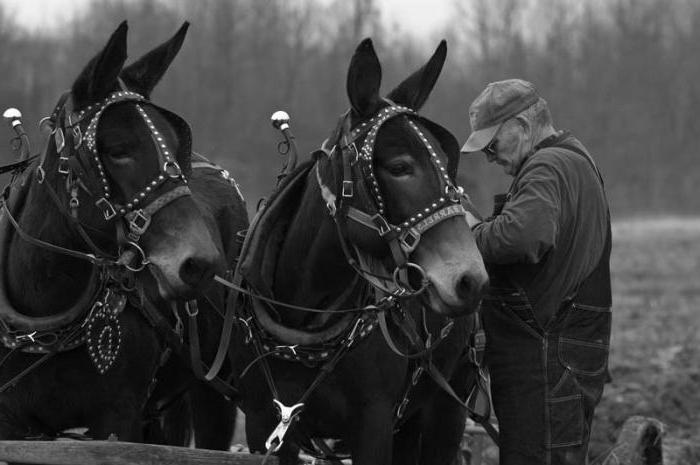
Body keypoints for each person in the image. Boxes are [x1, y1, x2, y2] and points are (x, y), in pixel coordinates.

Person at [460, 79, 612, 465]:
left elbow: (522, 238)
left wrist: (467, 232)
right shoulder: (576, 159)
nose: (490, 156)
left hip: (545, 360)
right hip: (568, 353)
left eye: (492, 144)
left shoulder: (546, 165)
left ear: (523, 127)